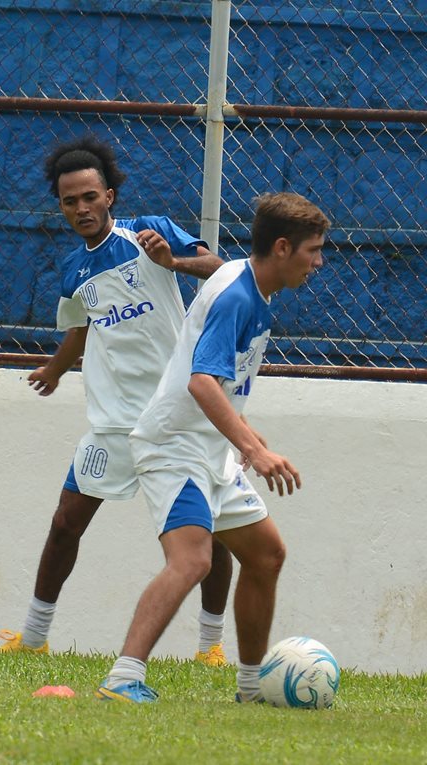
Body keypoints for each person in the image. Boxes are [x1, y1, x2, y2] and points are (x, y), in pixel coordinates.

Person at [0, 136, 234, 665]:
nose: (80, 208)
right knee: (65, 523)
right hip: (114, 425)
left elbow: (220, 269)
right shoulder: (73, 271)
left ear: (109, 196)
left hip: (180, 418)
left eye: (89, 197)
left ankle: (210, 647)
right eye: (68, 201)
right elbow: (81, 327)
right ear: (60, 207)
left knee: (212, 532)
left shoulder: (151, 232)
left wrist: (172, 261)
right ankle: (33, 637)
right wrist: (55, 370)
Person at [96, 192, 329, 703]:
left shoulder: (249, 282)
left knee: (266, 555)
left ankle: (250, 690)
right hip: (172, 446)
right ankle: (122, 678)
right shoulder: (240, 298)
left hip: (208, 450)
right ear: (284, 247)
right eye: (313, 250)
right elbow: (202, 382)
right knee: (193, 561)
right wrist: (254, 448)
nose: (318, 261)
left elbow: (217, 379)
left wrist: (245, 431)